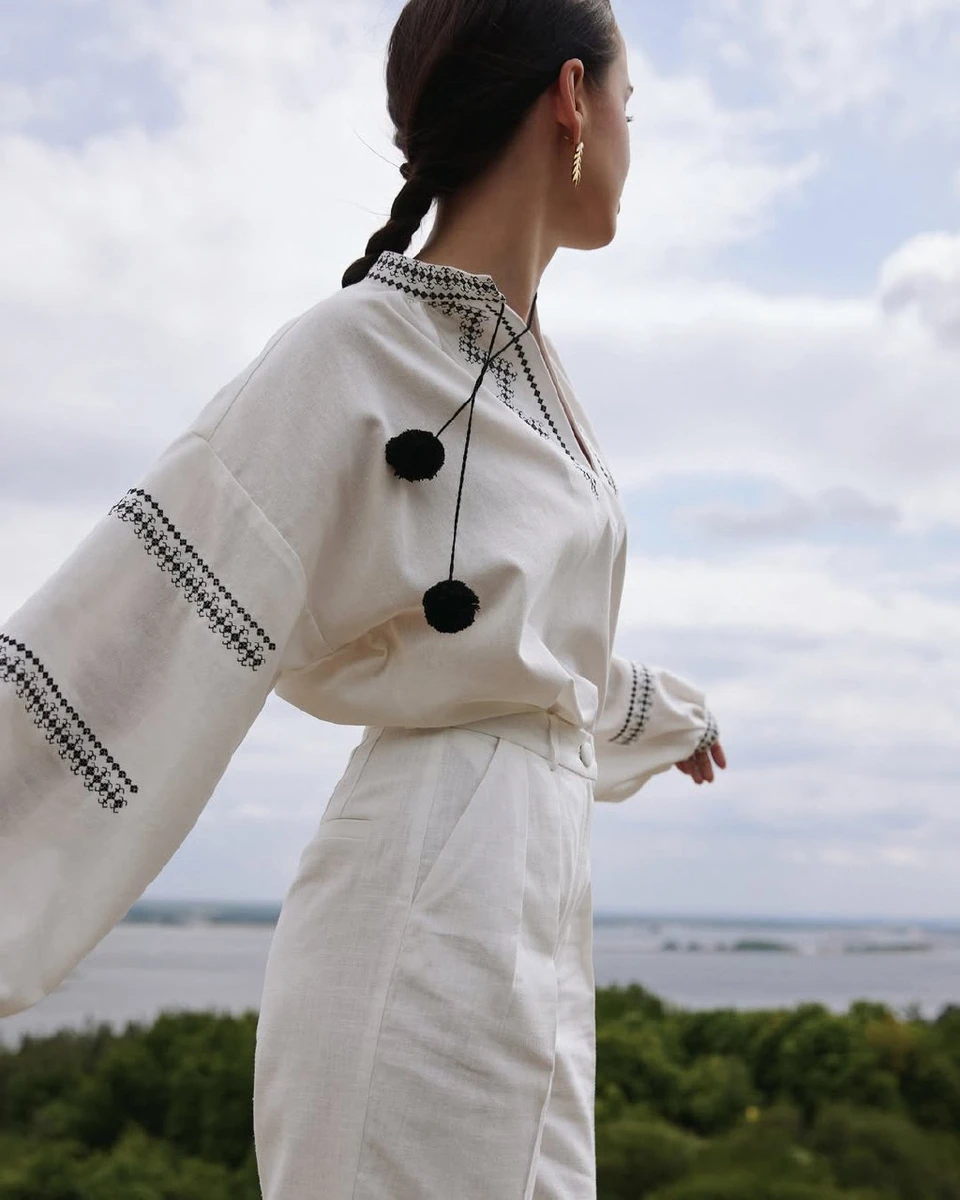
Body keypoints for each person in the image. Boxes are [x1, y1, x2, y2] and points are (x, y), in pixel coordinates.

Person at [0, 0, 726, 1195]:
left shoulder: (534, 379)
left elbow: (525, 655)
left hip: (531, 927)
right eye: (628, 105)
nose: (629, 137)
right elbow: (136, 614)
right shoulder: (354, 349)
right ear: (570, 99)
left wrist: (663, 713)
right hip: (420, 925)